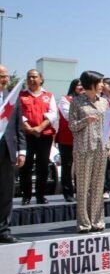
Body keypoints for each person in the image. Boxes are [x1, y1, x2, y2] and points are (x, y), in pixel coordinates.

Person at [69, 71, 110, 233]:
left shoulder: (104, 102)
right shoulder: (77, 102)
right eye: (100, 82)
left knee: (98, 186)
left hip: (101, 147)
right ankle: (84, 222)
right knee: (83, 186)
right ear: (91, 83)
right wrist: (85, 121)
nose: (102, 85)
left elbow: (109, 124)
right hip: (83, 148)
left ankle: (97, 220)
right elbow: (72, 126)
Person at [18, 69, 58, 205]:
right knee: (26, 166)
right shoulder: (21, 96)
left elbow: (53, 114)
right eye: (29, 77)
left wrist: (39, 128)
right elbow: (18, 114)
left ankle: (40, 195)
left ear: (41, 79)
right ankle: (26, 196)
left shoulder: (49, 95)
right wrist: (28, 127)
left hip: (44, 135)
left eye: (34, 77)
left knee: (43, 166)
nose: (31, 80)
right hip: (26, 136)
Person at [0, 65, 26, 243]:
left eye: (6, 76)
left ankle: (3, 230)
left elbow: (18, 127)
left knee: (6, 192)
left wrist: (21, 151)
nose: (5, 79)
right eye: (1, 76)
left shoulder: (12, 97)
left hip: (7, 149)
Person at [57, 78, 83, 202]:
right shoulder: (65, 100)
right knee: (67, 167)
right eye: (79, 85)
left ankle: (80, 192)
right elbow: (69, 117)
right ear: (73, 86)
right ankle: (68, 193)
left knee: (81, 167)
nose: (81, 87)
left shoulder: (86, 100)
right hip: (67, 138)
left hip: (82, 139)